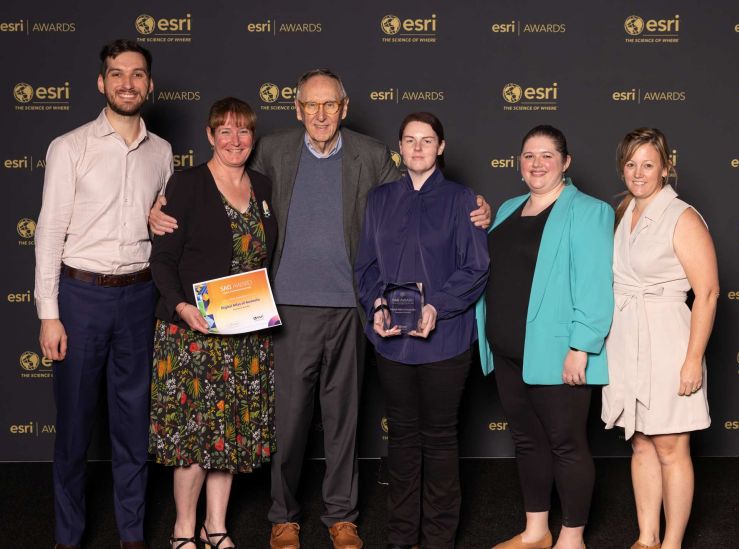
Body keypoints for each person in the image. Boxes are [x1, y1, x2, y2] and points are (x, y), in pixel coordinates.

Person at [149, 68, 491, 549]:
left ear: (344, 108)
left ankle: (341, 515)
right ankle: (283, 514)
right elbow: (216, 183)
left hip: (350, 307)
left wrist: (474, 206)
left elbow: (419, 194)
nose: (321, 114)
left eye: (330, 105)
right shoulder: (272, 150)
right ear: (298, 110)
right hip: (285, 307)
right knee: (287, 421)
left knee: (344, 418)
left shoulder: (372, 155)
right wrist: (159, 204)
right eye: (311, 105)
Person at [34, 40, 172, 549]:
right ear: (102, 83)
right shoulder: (70, 147)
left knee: (134, 422)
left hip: (139, 298)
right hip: (80, 296)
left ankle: (132, 533)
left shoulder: (162, 152)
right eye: (117, 75)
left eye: (137, 75)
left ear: (149, 85)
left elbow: (161, 223)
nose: (127, 84)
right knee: (73, 426)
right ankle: (68, 537)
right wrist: (49, 314)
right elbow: (49, 232)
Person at [475, 125, 614, 549]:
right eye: (529, 155)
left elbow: (594, 285)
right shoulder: (507, 209)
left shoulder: (590, 211)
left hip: (559, 354)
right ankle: (536, 531)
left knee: (566, 444)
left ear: (565, 162)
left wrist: (581, 347)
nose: (537, 164)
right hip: (508, 352)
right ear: (519, 163)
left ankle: (572, 538)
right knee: (527, 442)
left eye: (547, 155)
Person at [355, 112, 489, 549]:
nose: (417, 148)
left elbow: (476, 267)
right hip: (392, 344)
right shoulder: (379, 200)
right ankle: (400, 536)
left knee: (440, 438)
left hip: (445, 341)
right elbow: (366, 266)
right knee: (403, 438)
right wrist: (376, 304)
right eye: (410, 140)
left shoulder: (462, 198)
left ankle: (437, 538)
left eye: (427, 140)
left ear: (441, 147)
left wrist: (438, 306)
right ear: (399, 146)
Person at [149, 97, 277, 549]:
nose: (234, 140)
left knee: (229, 437)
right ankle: (184, 527)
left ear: (252, 137)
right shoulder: (186, 185)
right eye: (224, 131)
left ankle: (215, 525)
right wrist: (182, 308)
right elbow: (162, 260)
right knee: (193, 439)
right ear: (209, 136)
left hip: (245, 334)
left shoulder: (262, 186)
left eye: (242, 131)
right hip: (193, 336)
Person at [601, 128, 718, 549]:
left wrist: (692, 360)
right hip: (627, 339)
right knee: (641, 442)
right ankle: (646, 537)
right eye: (631, 164)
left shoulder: (682, 216)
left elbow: (706, 292)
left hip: (669, 339)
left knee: (671, 445)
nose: (638, 172)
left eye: (648, 164)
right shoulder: (623, 211)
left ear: (666, 168)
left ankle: (671, 543)